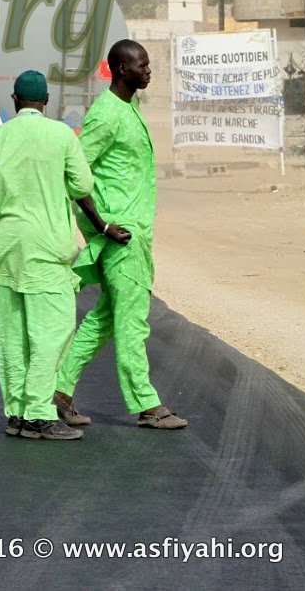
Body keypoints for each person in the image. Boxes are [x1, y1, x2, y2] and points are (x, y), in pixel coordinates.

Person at [0, 71, 125, 440]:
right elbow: (82, 185)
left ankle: (16, 413)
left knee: (12, 335)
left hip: (8, 247)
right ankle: (40, 414)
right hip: (46, 249)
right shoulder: (61, 135)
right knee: (52, 332)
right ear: (45, 101)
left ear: (14, 100)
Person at [54, 40, 189, 430]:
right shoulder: (107, 114)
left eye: (148, 64)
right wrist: (100, 225)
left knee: (106, 319)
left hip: (136, 234)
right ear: (120, 68)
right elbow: (75, 171)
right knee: (133, 321)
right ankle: (146, 403)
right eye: (142, 65)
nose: (149, 71)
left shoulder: (130, 107)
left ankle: (60, 389)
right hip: (121, 236)